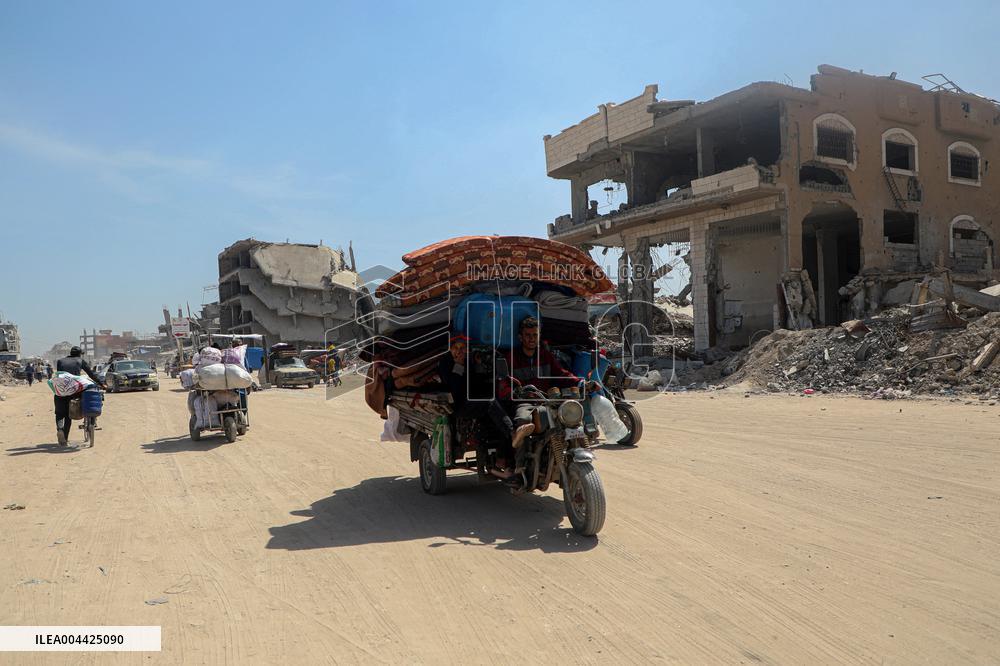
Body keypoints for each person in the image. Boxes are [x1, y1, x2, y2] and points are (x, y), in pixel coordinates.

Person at [507, 316, 580, 450]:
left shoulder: (545, 355)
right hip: (524, 402)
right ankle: (520, 464)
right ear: (520, 337)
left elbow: (561, 373)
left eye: (535, 335)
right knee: (524, 421)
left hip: (546, 400)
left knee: (572, 417)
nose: (531, 338)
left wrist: (580, 382)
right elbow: (504, 382)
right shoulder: (511, 357)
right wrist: (513, 391)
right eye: (527, 335)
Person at [53, 346, 106, 446]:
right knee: (69, 415)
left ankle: (60, 429)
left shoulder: (60, 361)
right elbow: (91, 374)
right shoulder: (80, 361)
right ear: (79, 354)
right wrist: (101, 383)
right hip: (73, 391)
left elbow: (61, 376)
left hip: (60, 390)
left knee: (60, 413)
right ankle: (65, 437)